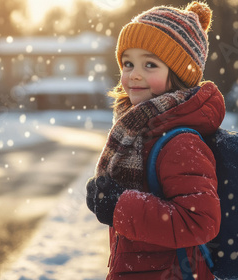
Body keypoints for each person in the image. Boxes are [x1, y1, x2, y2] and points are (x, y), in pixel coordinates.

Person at [86, 2, 226, 279]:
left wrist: (118, 205)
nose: (134, 74)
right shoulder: (136, 129)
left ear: (178, 74)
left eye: (150, 64)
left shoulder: (181, 142)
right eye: (128, 63)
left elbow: (200, 222)